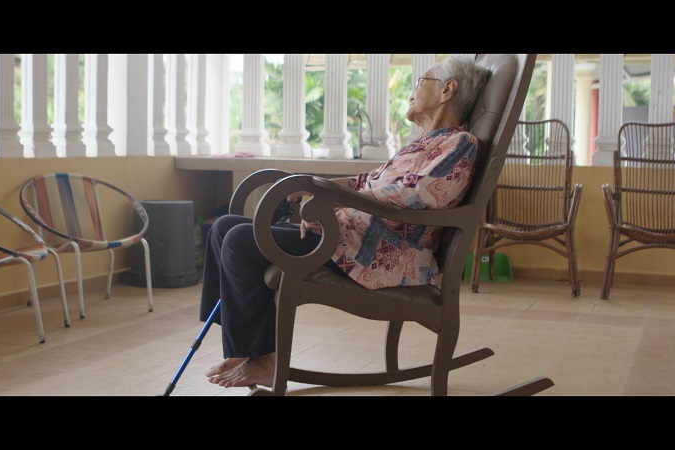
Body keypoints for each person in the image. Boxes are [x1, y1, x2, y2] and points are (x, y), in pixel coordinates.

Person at [199, 54, 491, 389]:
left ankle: (263, 359)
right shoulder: (421, 144)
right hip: (347, 237)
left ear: (447, 90)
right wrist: (312, 184)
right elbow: (368, 180)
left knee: (239, 240)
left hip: (380, 251)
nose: (412, 91)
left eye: (421, 80)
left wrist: (334, 200)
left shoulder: (459, 142)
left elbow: (420, 193)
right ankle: (244, 348)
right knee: (223, 228)